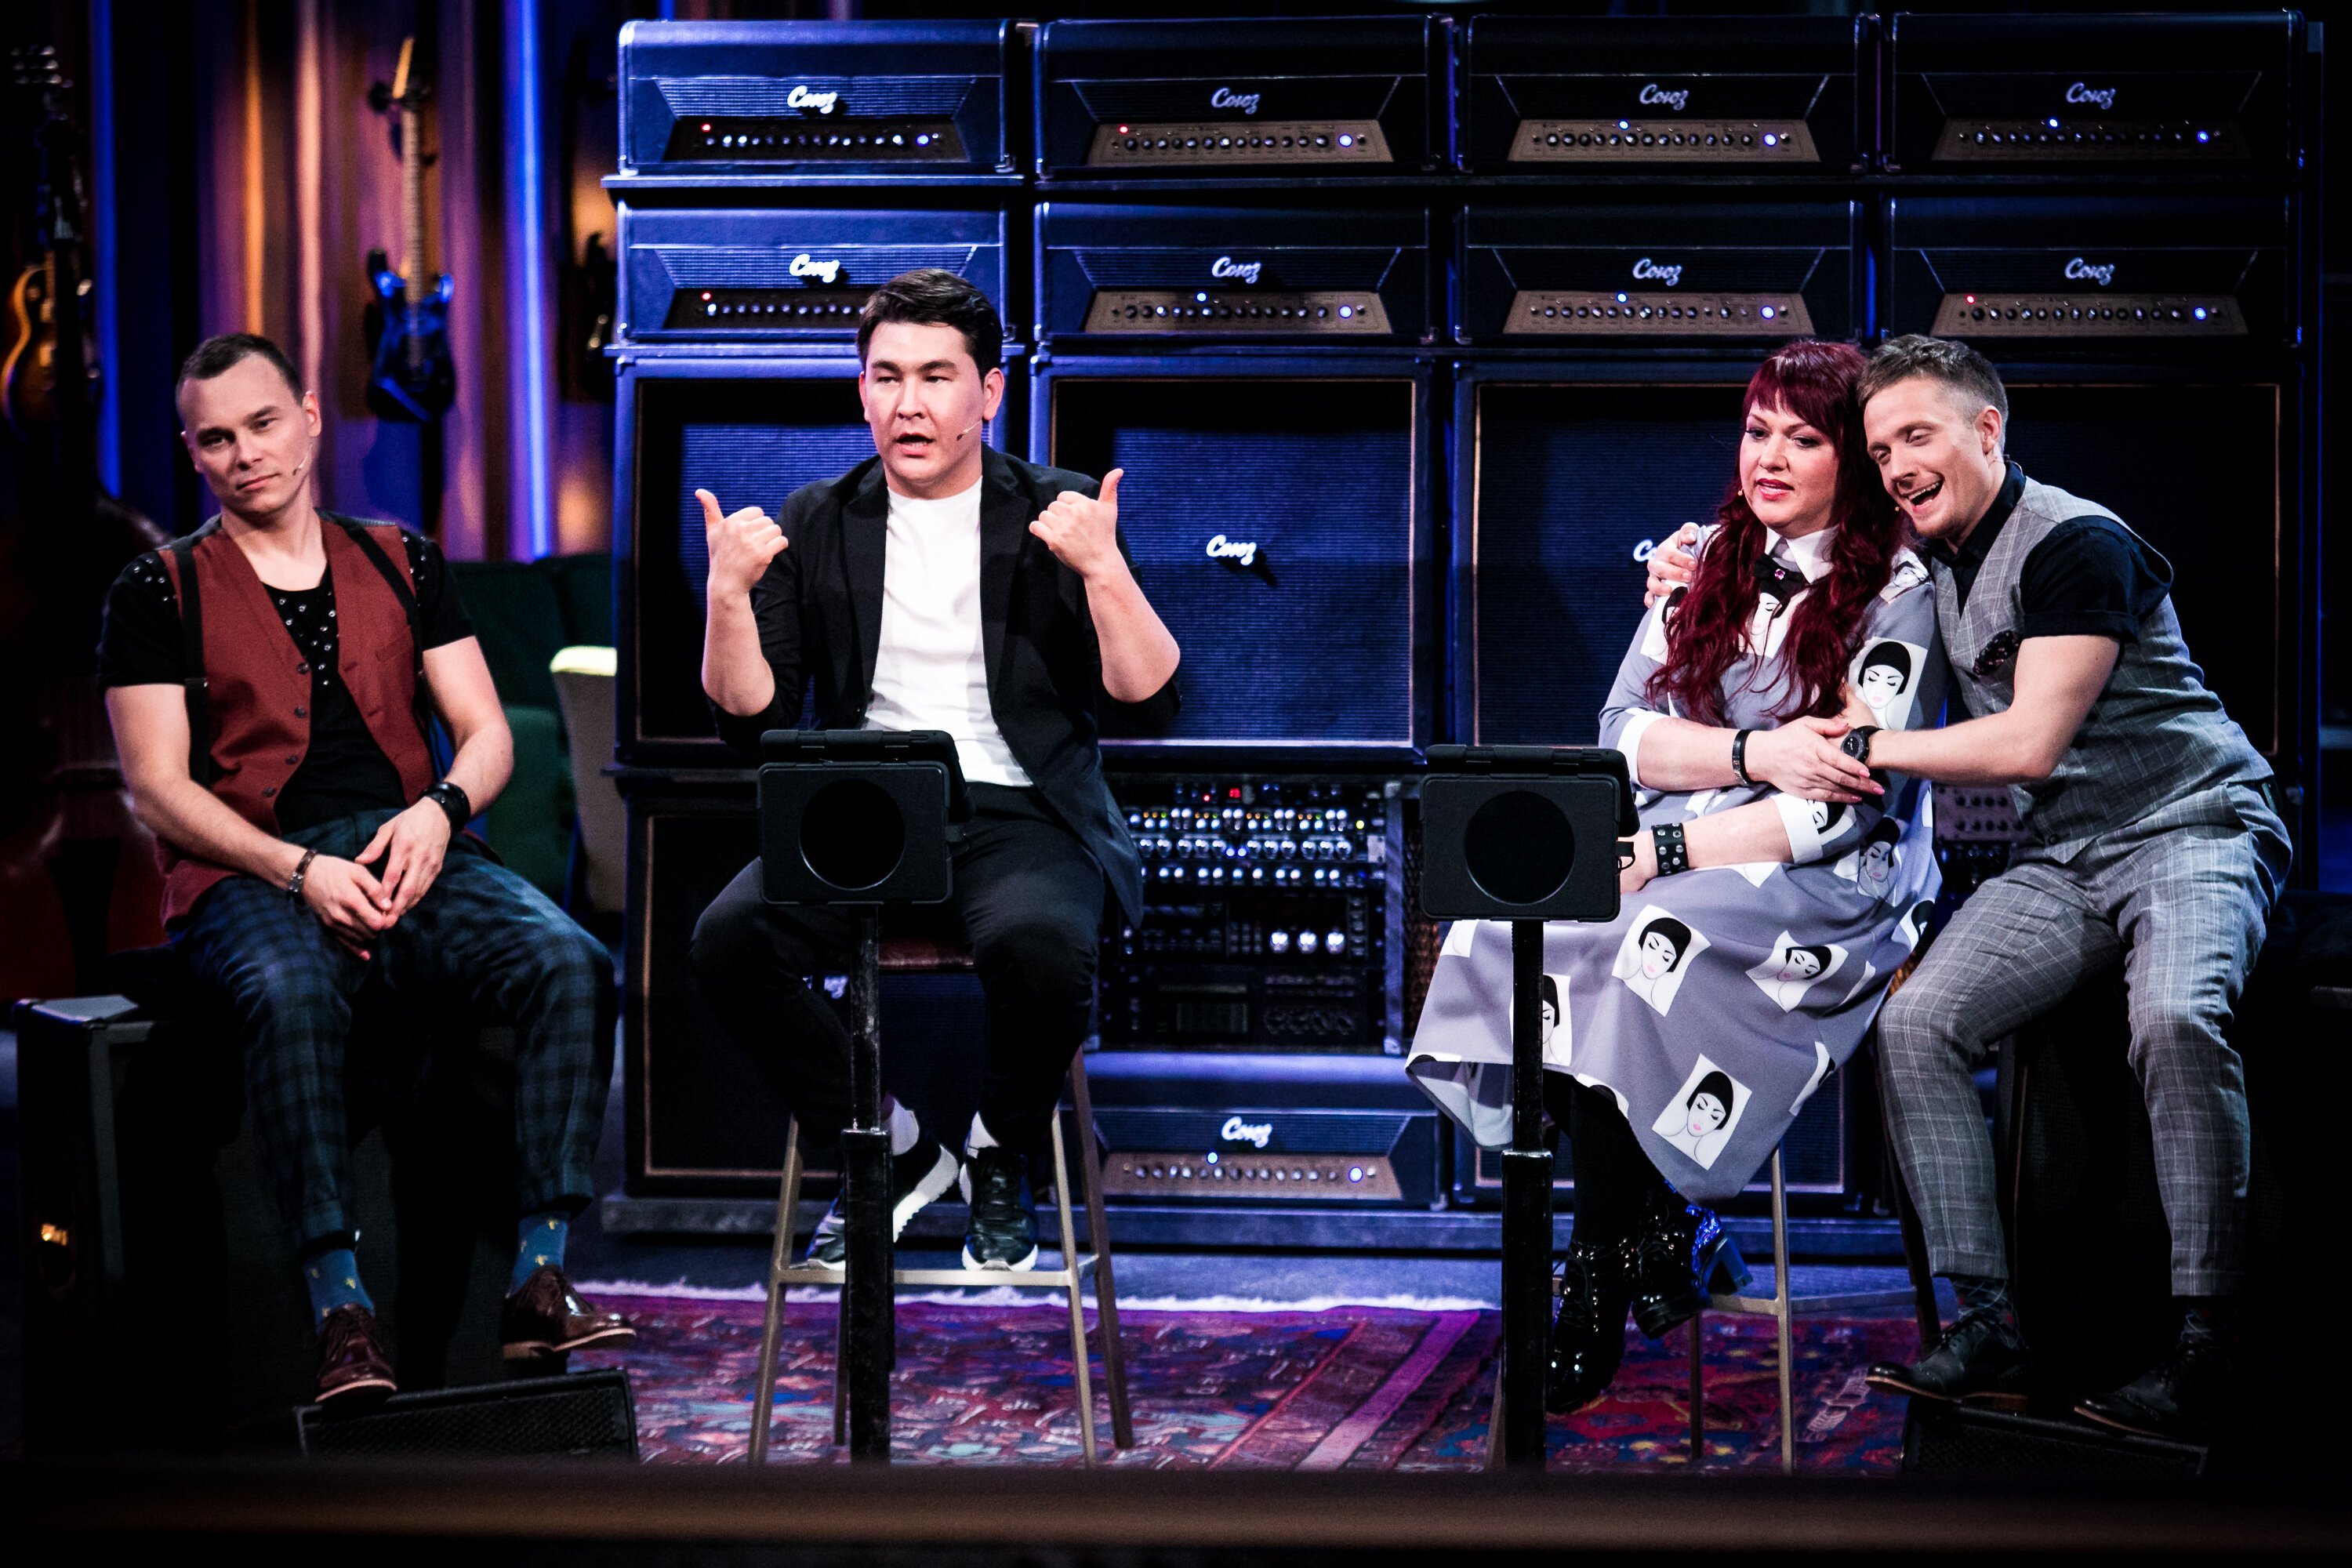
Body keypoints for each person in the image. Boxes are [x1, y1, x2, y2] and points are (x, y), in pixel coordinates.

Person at [1644, 334, 2288, 1441]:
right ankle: (1989, 1321)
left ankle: (2208, 1340)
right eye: (1881, 449)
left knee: (2176, 1016)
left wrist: (1860, 747)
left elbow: (2029, 742)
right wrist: (1689, 555)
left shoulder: (2077, 544)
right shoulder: (1923, 539)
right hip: (2066, 854)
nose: (1897, 466)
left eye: (1918, 437)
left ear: (1988, 430)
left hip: (2191, 825)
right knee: (1920, 1023)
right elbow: (1799, 534)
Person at [1406, 340, 1945, 1414]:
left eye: (1804, 438)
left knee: (1642, 943)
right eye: (1757, 431)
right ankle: (1665, 1225)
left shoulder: (1900, 591)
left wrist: (1675, 846)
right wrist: (1750, 751)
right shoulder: (1702, 558)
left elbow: (1842, 798)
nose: (1769, 458)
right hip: (1684, 827)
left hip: (1830, 867)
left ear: (1853, 456)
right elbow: (1623, 731)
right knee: (1524, 926)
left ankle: (1595, 1271)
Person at [98, 334, 631, 1404]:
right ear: (193, 453)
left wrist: (441, 811)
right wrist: (297, 869)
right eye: (217, 438)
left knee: (570, 961)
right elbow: (157, 788)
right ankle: (341, 1314)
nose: (246, 453)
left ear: (307, 416)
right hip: (247, 870)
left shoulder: (401, 557)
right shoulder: (157, 589)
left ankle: (538, 1280)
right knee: (293, 993)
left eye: (262, 423)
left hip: (407, 845)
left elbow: (486, 734)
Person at [689, 270, 1181, 1271]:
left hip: (1022, 811)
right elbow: (752, 722)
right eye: (887, 377)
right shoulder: (817, 517)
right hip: (861, 808)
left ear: (988, 392)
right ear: (861, 390)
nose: (909, 403)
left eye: (936, 376)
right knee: (728, 940)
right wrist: (727, 598)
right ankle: (889, 1145)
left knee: (1044, 948)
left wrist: (1104, 569)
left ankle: (1001, 1150)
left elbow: (1151, 700)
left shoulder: (1059, 509)